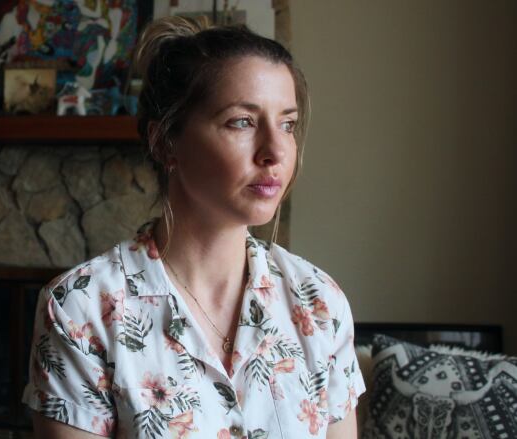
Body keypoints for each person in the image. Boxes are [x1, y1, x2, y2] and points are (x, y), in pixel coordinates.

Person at [22, 15, 366, 439]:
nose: (276, 151)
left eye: (288, 124)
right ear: (165, 141)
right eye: (242, 121)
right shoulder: (81, 309)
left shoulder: (320, 304)